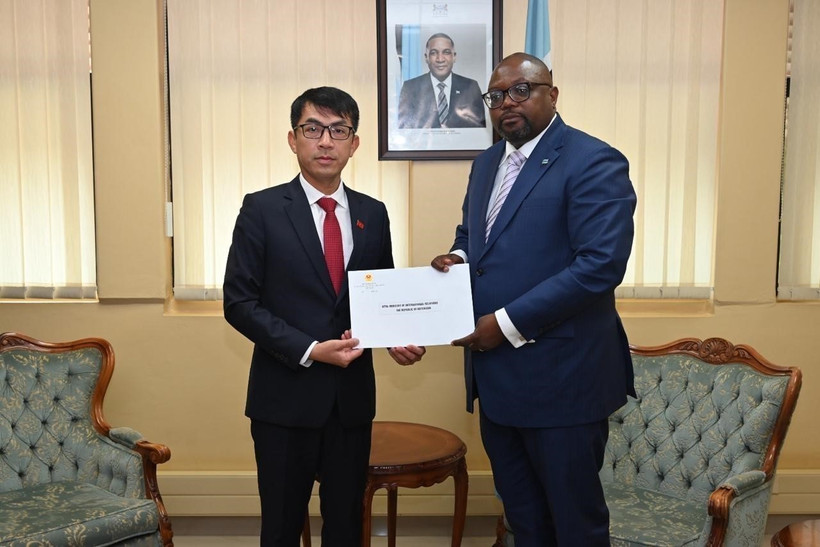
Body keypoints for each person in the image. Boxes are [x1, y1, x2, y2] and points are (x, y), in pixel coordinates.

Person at [431, 53, 636, 546]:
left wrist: (501, 325)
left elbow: (599, 266)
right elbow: (474, 237)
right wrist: (457, 257)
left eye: (520, 90)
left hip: (564, 382)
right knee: (525, 523)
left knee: (575, 526)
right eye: (496, 96)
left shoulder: (593, 160)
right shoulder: (485, 164)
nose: (506, 104)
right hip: (498, 384)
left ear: (552, 94)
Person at [224, 86, 425, 547]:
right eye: (312, 129)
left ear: (354, 144)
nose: (325, 141)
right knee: (280, 526)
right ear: (293, 140)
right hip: (284, 400)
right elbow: (239, 302)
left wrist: (396, 337)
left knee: (346, 527)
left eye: (339, 130)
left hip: (350, 403)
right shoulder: (262, 209)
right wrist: (311, 350)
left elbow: (381, 295)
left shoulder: (373, 214)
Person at [398, 33, 486, 129]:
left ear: (454, 57)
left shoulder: (470, 87)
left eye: (446, 52)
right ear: (426, 58)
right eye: (433, 53)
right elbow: (404, 131)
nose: (440, 59)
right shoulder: (410, 88)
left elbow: (478, 131)